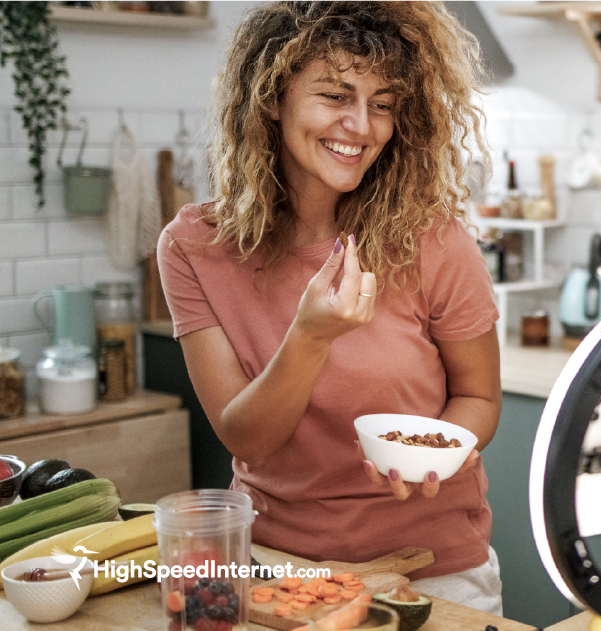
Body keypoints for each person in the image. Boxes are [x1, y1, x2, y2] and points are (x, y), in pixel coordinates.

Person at [156, 0, 503, 614]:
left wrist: (437, 456)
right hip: (277, 568)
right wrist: (309, 336)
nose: (362, 126)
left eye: (384, 104)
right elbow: (247, 439)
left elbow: (479, 399)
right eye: (335, 96)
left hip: (431, 569)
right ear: (272, 99)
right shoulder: (195, 248)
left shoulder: (435, 238)